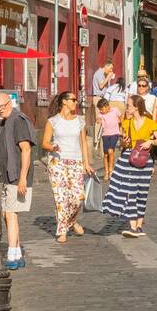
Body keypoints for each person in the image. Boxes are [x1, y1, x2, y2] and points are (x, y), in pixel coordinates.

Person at [102, 94, 157, 237]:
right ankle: (133, 226)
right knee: (130, 192)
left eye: (128, 105)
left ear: (136, 107)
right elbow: (122, 143)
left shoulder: (149, 122)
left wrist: (150, 142)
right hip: (129, 159)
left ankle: (139, 225)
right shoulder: (126, 123)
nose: (126, 108)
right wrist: (124, 142)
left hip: (144, 161)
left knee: (142, 193)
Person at [43, 91, 94, 243]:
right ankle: (62, 230)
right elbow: (44, 142)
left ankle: (71, 221)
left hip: (76, 162)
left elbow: (83, 143)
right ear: (64, 102)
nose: (76, 102)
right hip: (57, 163)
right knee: (61, 198)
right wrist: (52, 148)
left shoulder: (80, 120)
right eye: (73, 100)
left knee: (78, 197)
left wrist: (86, 163)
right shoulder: (53, 121)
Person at [0, 92, 36, 269]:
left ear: (9, 103)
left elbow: (26, 150)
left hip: (15, 175)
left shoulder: (18, 120)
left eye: (1, 107)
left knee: (11, 214)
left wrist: (22, 178)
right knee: (8, 215)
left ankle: (12, 255)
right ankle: (18, 254)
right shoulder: (4, 120)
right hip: (5, 174)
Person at [97, 96, 122, 181]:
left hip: (115, 133)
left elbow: (121, 117)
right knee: (105, 154)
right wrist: (98, 121)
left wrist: (121, 125)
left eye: (102, 109)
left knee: (111, 151)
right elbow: (98, 119)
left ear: (107, 106)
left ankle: (111, 171)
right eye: (100, 109)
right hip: (105, 135)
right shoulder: (100, 114)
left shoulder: (115, 110)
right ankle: (106, 172)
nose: (101, 111)